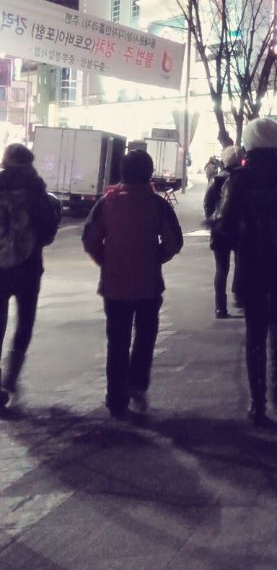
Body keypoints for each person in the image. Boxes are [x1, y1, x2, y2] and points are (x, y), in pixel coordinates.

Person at [219, 118, 277, 424]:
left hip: (252, 263)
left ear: (250, 141)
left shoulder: (240, 178)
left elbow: (227, 225)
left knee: (255, 332)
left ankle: (257, 402)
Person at [82, 149, 183, 419]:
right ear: (149, 173)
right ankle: (137, 384)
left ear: (122, 172)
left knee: (117, 341)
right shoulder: (157, 205)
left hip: (114, 285)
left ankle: (116, 400)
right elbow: (174, 242)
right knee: (145, 336)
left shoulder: (106, 203)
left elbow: (90, 240)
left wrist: (106, 261)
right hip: (148, 284)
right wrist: (156, 258)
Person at [0, 143, 60, 409]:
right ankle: (10, 378)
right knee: (24, 323)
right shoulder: (37, 190)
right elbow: (47, 233)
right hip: (28, 268)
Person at [203, 145, 243, 318]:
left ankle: (220, 307)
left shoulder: (216, 179)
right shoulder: (243, 178)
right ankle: (239, 296)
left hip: (220, 229)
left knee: (221, 268)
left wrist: (213, 220)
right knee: (240, 264)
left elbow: (207, 203)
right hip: (239, 229)